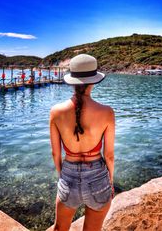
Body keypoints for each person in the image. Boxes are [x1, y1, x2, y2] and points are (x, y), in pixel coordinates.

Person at [49, 54, 115, 231]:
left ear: (72, 81)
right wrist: (110, 180)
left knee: (60, 228)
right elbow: (109, 155)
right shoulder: (107, 112)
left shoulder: (56, 112)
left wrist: (63, 175)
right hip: (98, 179)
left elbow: (56, 153)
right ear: (93, 81)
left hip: (68, 176)